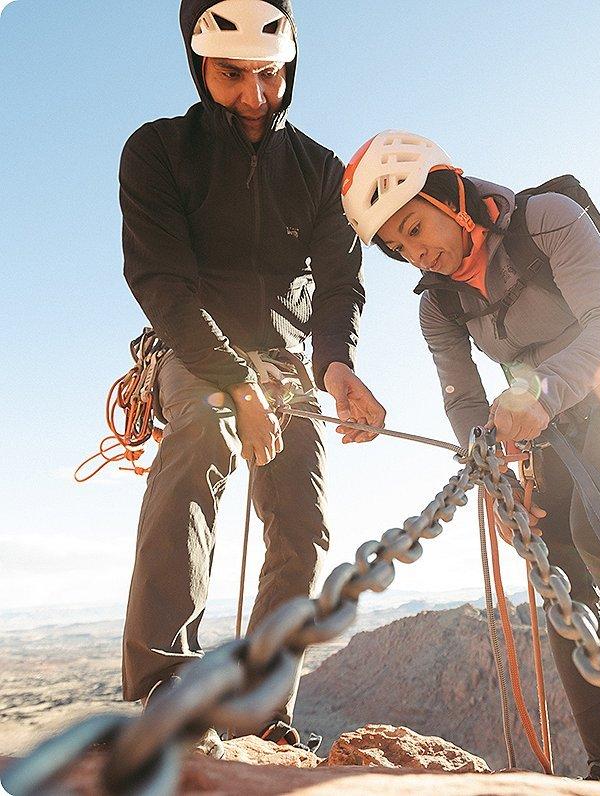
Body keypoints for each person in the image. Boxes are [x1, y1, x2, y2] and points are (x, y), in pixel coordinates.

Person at [340, 130, 600, 787]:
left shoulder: (548, 220)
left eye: (416, 226)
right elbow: (463, 401)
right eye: (399, 246)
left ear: (451, 194)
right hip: (556, 432)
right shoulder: (439, 308)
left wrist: (538, 393)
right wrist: (494, 478)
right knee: (556, 569)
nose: (415, 250)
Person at [119, 0, 385, 745]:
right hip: (194, 348)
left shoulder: (320, 171)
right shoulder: (157, 151)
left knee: (300, 517)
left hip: (288, 360)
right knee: (202, 433)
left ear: (289, 65)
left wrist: (337, 368)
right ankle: (167, 686)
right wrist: (236, 382)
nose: (253, 97)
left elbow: (340, 286)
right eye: (232, 75)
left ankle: (264, 709)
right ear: (199, 64)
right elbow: (162, 283)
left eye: (268, 75)